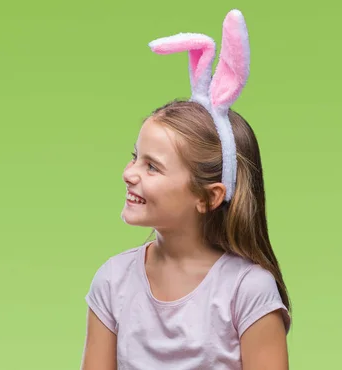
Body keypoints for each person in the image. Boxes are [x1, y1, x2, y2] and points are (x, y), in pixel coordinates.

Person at [80, 9, 291, 370]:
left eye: (152, 166)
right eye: (135, 157)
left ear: (207, 197)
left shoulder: (248, 291)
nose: (129, 174)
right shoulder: (113, 281)